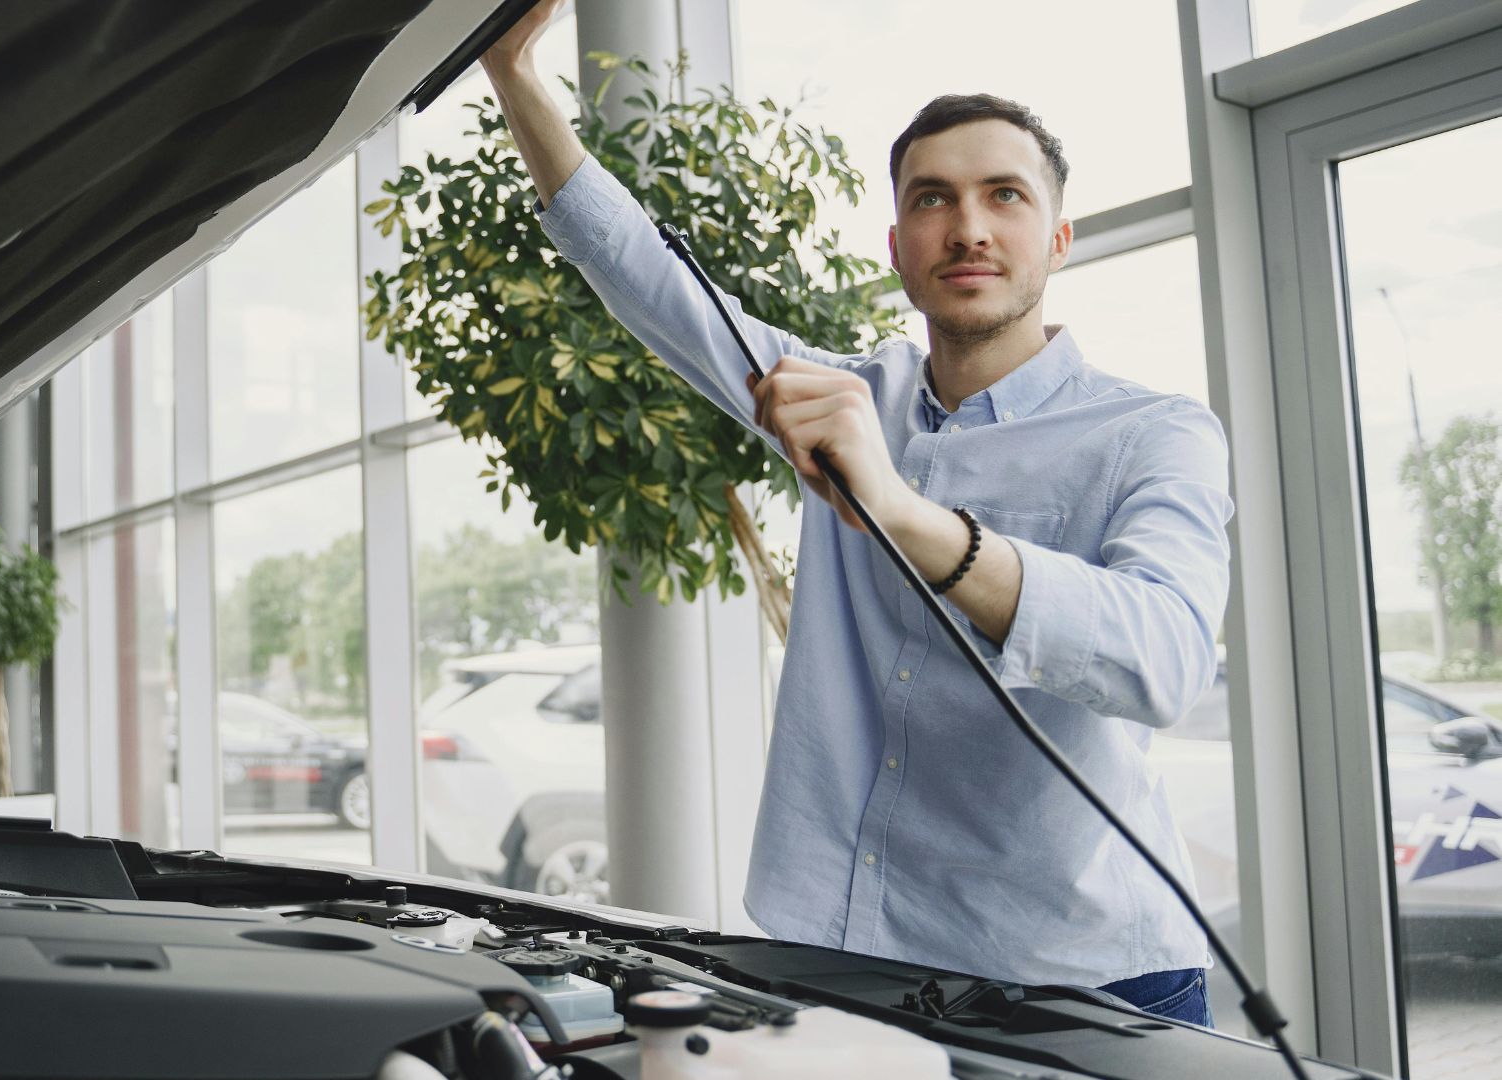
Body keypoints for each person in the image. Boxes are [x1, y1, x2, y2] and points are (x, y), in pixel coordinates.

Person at [479, 0, 1233, 1027]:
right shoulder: (846, 396)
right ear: (896, 243)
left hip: (1087, 980)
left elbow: (1167, 658)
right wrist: (514, 74)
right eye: (934, 198)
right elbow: (649, 280)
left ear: (1057, 237)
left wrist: (906, 513)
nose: (967, 226)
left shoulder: (1157, 433)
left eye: (1003, 196)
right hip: (850, 965)